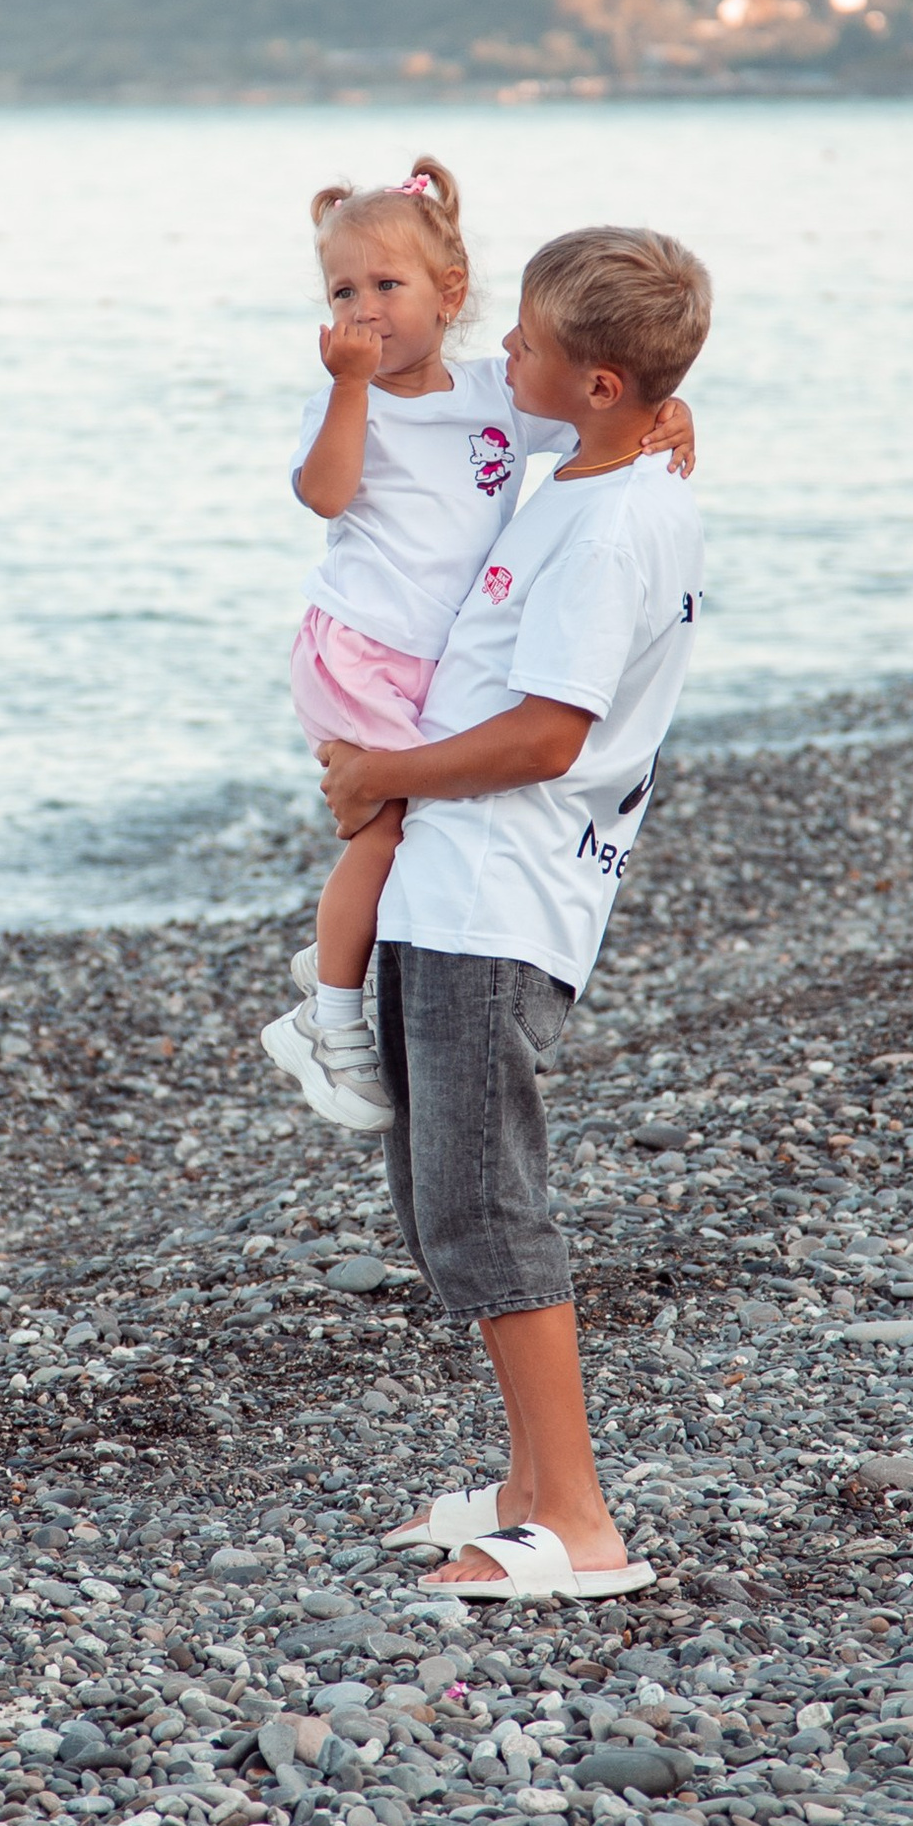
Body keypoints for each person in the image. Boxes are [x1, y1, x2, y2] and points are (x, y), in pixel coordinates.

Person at [315, 223, 711, 1605]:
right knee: (442, 1198)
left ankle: (582, 1524)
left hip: (502, 892)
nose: (504, 358)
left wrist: (380, 772)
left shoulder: (612, 520)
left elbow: (549, 734)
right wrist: (669, 411)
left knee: (487, 1204)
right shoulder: (593, 471)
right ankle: (528, 1486)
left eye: (529, 344)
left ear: (596, 382)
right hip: (454, 881)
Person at [265, 159, 689, 1136]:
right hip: (360, 649)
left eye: (386, 285)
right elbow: (322, 495)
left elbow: (595, 410)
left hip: (429, 657)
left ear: (448, 293)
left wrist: (665, 409)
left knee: (412, 824)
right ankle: (323, 1018)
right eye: (342, 291)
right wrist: (345, 391)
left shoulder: (496, 391)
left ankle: (339, 950)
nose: (364, 309)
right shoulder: (350, 402)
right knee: (381, 822)